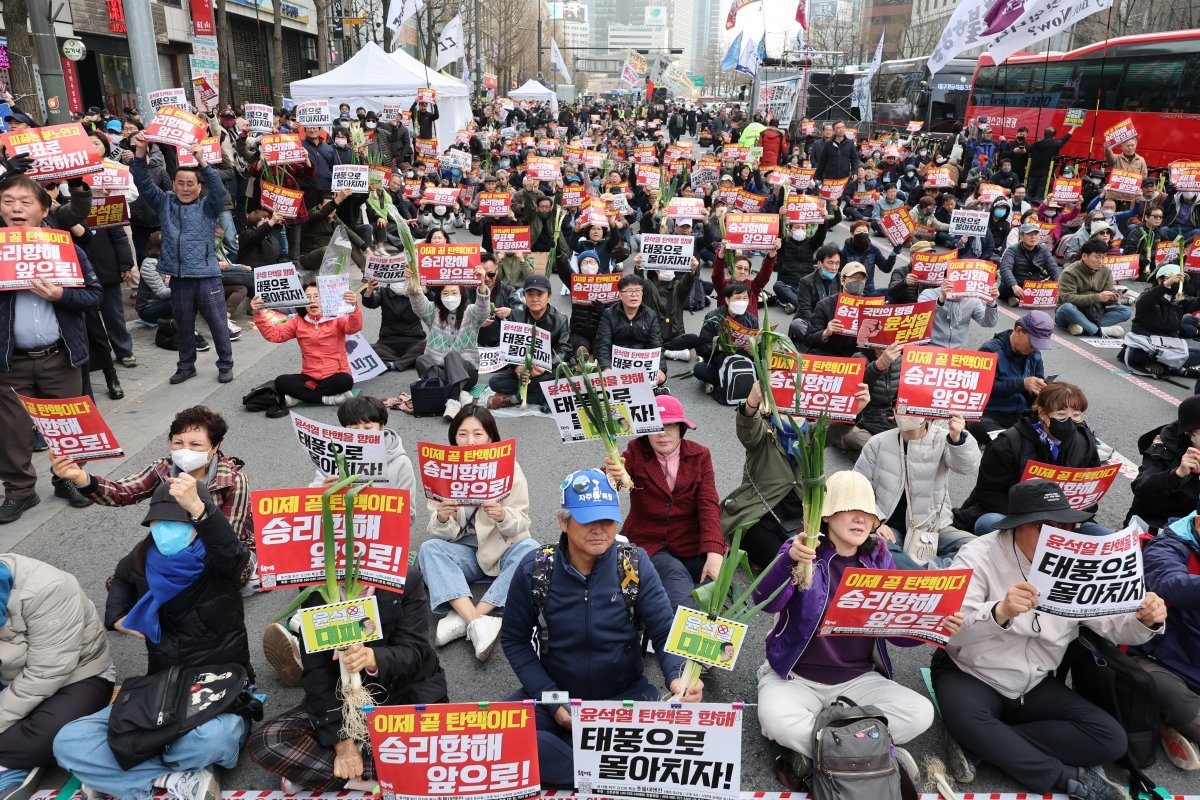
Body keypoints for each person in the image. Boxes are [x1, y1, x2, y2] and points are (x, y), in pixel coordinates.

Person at [933, 479, 1166, 800]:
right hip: (970, 672)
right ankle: (1066, 778)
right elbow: (951, 628)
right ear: (1016, 526)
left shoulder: (1079, 563)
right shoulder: (978, 553)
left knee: (1110, 739)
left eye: (1063, 525)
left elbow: (1113, 626)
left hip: (1034, 681)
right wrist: (999, 611)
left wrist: (1145, 620)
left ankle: (986, 744)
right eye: (1044, 526)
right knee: (968, 717)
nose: (1056, 534)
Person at [54, 476, 254, 800]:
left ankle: (124, 773)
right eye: (157, 521)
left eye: (174, 521)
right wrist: (117, 618)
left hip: (216, 687)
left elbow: (235, 558)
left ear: (194, 522)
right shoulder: (144, 555)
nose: (163, 529)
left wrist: (204, 513)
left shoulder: (217, 561)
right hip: (159, 691)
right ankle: (170, 780)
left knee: (214, 737)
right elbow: (120, 577)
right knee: (69, 740)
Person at [499, 468, 703, 787]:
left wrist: (679, 677)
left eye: (607, 520)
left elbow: (665, 631)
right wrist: (552, 700)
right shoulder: (535, 569)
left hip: (624, 696)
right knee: (495, 738)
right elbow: (514, 640)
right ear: (563, 522)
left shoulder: (634, 564)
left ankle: (575, 761)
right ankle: (606, 766)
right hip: (554, 693)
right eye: (586, 519)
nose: (599, 530)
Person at [753, 471, 949, 785]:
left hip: (857, 679)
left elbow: (897, 635)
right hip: (795, 677)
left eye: (868, 513)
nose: (861, 519)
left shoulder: (879, 557)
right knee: (777, 721)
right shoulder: (800, 548)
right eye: (849, 510)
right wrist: (786, 562)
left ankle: (817, 752)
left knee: (919, 712)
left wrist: (932, 625)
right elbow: (765, 601)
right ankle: (875, 753)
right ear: (827, 515)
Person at [249, 570, 446, 793]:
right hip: (344, 702)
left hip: (403, 693)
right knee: (268, 742)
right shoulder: (314, 586)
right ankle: (377, 775)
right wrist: (341, 743)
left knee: (438, 749)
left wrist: (373, 659)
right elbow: (317, 672)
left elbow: (416, 651)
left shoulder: (404, 578)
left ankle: (324, 773)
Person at [51, 405, 255, 587]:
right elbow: (123, 492)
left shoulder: (234, 480)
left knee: (225, 580)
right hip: (175, 540)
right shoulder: (163, 468)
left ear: (215, 446)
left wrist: (197, 510)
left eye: (195, 445)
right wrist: (80, 477)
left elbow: (229, 539)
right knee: (123, 580)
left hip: (216, 549)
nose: (185, 450)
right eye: (178, 442)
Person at [0, 175, 103, 524]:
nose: (16, 208)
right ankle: (19, 490)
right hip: (9, 362)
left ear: (44, 209)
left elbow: (94, 294)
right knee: (11, 431)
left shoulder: (65, 247)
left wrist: (62, 295)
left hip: (60, 356)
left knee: (67, 426)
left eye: (25, 202)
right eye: (8, 201)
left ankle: (68, 478)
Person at [419, 406, 536, 662]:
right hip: (465, 553)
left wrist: (503, 515)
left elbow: (522, 522)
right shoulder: (443, 470)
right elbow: (440, 532)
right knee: (428, 549)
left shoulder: (510, 468)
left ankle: (471, 616)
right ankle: (477, 622)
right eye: (462, 434)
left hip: (502, 549)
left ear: (491, 438)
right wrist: (441, 516)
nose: (469, 441)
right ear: (454, 438)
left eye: (477, 434)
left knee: (532, 551)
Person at [0, 554, 114, 799]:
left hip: (79, 674)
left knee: (49, 739)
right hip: (11, 676)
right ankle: (11, 759)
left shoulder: (48, 588)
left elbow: (47, 672)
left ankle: (9, 763)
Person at [130, 133, 234, 385]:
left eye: (190, 184)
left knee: (218, 324)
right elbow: (143, 182)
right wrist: (140, 153)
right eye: (180, 183)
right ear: (173, 184)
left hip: (207, 276)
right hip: (178, 278)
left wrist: (204, 163)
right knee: (184, 325)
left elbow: (219, 191)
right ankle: (186, 366)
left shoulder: (208, 205)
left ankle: (225, 364)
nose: (185, 188)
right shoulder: (165, 202)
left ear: (199, 187)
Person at [602, 395, 723, 610]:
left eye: (670, 425)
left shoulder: (700, 455)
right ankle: (683, 632)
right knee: (676, 582)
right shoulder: (636, 451)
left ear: (681, 429)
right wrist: (611, 475)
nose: (662, 433)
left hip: (690, 543)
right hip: (650, 543)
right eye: (655, 427)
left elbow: (708, 503)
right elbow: (612, 483)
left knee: (713, 582)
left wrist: (714, 551)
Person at [958, 382, 1106, 537]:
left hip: (1063, 520)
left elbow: (1091, 493)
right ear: (1042, 412)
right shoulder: (1008, 443)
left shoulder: (1084, 441)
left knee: (1104, 538)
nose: (1069, 421)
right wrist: (1030, 518)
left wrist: (1076, 517)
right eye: (1061, 415)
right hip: (1014, 517)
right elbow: (987, 493)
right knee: (989, 523)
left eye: (1076, 415)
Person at [856, 413, 980, 569]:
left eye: (911, 408)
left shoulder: (943, 438)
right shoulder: (878, 442)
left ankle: (916, 573)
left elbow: (967, 467)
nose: (903, 412)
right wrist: (875, 521)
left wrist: (958, 438)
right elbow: (858, 487)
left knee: (978, 547)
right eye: (899, 405)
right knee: (879, 547)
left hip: (933, 527)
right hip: (888, 525)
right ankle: (930, 576)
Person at [1130, 510, 1200, 769]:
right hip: (1160, 660)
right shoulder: (1168, 545)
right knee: (1182, 704)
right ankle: (1165, 714)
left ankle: (1163, 717)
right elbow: (1168, 582)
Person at [251, 281, 361, 416]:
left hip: (335, 375)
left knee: (346, 381)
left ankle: (299, 397)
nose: (312, 300)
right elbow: (275, 335)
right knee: (281, 381)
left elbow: (354, 327)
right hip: (309, 377)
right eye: (308, 297)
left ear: (326, 298)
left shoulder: (337, 316)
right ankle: (328, 399)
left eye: (317, 296)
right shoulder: (298, 320)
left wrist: (354, 306)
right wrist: (258, 314)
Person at [407, 264, 491, 420]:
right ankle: (460, 395)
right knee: (421, 360)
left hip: (466, 371)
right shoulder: (434, 311)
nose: (450, 296)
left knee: (452, 355)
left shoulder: (471, 312)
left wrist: (481, 285)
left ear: (462, 294)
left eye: (454, 292)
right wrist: (412, 282)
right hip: (440, 371)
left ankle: (452, 400)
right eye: (445, 293)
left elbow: (483, 310)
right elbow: (419, 305)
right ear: (439, 296)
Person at [487, 275, 570, 411]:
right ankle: (543, 395)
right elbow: (509, 347)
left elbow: (564, 349)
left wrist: (545, 366)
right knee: (495, 382)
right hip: (524, 370)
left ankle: (512, 399)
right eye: (530, 294)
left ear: (549, 296)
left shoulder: (560, 319)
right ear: (524, 296)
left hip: (547, 370)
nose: (535, 299)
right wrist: (516, 367)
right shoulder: (516, 315)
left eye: (540, 294)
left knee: (554, 379)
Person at [970, 312, 1050, 442]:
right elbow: (979, 387)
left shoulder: (1035, 354)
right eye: (1033, 342)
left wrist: (1043, 391)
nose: (1035, 347)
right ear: (1018, 330)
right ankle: (1011, 442)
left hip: (1022, 414)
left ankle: (1013, 441)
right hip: (991, 413)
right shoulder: (990, 350)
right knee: (977, 425)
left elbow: (1037, 385)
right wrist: (1022, 384)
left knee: (1056, 421)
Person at [1127, 396, 1200, 531]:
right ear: (1189, 433)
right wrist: (1177, 474)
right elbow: (1141, 488)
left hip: (1193, 526)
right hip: (1159, 524)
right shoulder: (1162, 448)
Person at [593, 273, 664, 384]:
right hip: (615, 364)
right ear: (620, 295)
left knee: (659, 383)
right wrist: (606, 368)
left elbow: (656, 344)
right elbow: (603, 344)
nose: (634, 295)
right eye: (629, 291)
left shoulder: (650, 315)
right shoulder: (609, 314)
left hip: (642, 365)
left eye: (637, 291)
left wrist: (661, 369)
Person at [1055, 239, 1132, 338]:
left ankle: (1083, 327)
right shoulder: (1070, 272)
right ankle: (1097, 331)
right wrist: (1098, 297)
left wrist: (1113, 298)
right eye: (1097, 257)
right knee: (1067, 308)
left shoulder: (1106, 271)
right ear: (1084, 256)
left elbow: (1107, 300)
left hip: (1095, 313)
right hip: (1072, 313)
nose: (1100, 261)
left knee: (1125, 311)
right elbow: (1068, 298)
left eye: (1103, 257)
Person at [694, 283, 757, 396]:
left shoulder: (751, 320)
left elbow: (760, 349)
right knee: (699, 369)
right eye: (738, 298)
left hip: (743, 364)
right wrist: (720, 346)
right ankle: (736, 384)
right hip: (718, 364)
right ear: (727, 300)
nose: (742, 301)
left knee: (767, 370)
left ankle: (722, 384)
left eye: (745, 298)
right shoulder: (713, 317)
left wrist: (754, 352)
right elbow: (701, 348)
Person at [803, 261, 870, 358]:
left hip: (856, 356)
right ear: (842, 280)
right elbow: (809, 339)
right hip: (829, 354)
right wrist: (826, 332)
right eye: (854, 278)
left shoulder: (870, 306)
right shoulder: (825, 305)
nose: (858, 282)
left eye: (862, 278)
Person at [361, 272, 426, 372]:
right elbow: (370, 303)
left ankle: (394, 364)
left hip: (413, 341)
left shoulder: (416, 293)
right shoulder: (384, 292)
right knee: (365, 349)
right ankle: (408, 361)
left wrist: (424, 289)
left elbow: (431, 300)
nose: (401, 282)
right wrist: (369, 290)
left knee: (428, 346)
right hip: (388, 343)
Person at [920, 276, 1000, 349]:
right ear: (944, 279)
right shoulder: (928, 294)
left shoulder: (972, 299)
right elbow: (919, 319)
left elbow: (989, 323)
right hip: (930, 348)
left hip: (957, 351)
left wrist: (991, 302)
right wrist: (941, 300)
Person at [999, 223, 1061, 305]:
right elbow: (1005, 269)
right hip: (1016, 284)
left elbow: (1053, 267)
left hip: (1034, 285)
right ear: (1021, 236)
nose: (1033, 237)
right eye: (1029, 234)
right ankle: (1012, 296)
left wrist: (1059, 284)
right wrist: (1013, 285)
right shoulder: (1012, 250)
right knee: (1006, 288)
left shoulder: (1043, 249)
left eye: (1036, 234)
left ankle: (1017, 299)